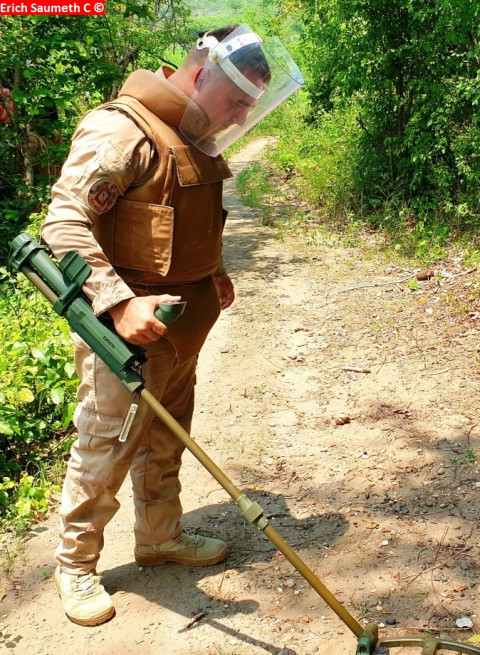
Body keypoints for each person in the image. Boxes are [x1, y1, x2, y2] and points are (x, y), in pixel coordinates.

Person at [40, 24, 304, 626]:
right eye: (236, 100)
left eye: (250, 105)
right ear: (198, 75)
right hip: (123, 333)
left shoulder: (196, 136)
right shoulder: (121, 129)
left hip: (181, 328)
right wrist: (117, 302)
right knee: (107, 444)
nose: (241, 115)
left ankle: (158, 538)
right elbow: (65, 224)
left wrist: (214, 270)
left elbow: (181, 217)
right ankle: (76, 564)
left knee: (168, 437)